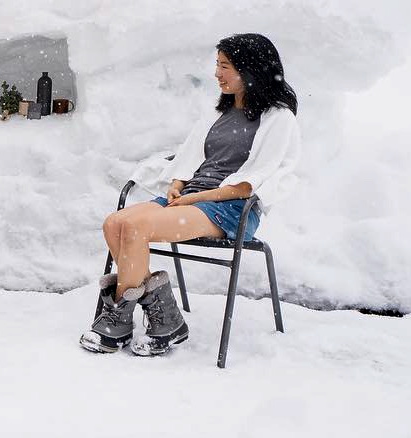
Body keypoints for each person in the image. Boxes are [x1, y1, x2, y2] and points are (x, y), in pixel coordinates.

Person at [81, 33, 301, 356]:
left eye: (225, 66)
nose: (217, 74)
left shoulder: (278, 118)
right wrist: (178, 184)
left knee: (136, 228)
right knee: (114, 223)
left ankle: (123, 319)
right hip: (191, 199)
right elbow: (191, 159)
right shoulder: (219, 114)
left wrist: (195, 198)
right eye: (217, 65)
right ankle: (166, 318)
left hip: (228, 209)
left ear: (251, 70)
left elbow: (251, 182)